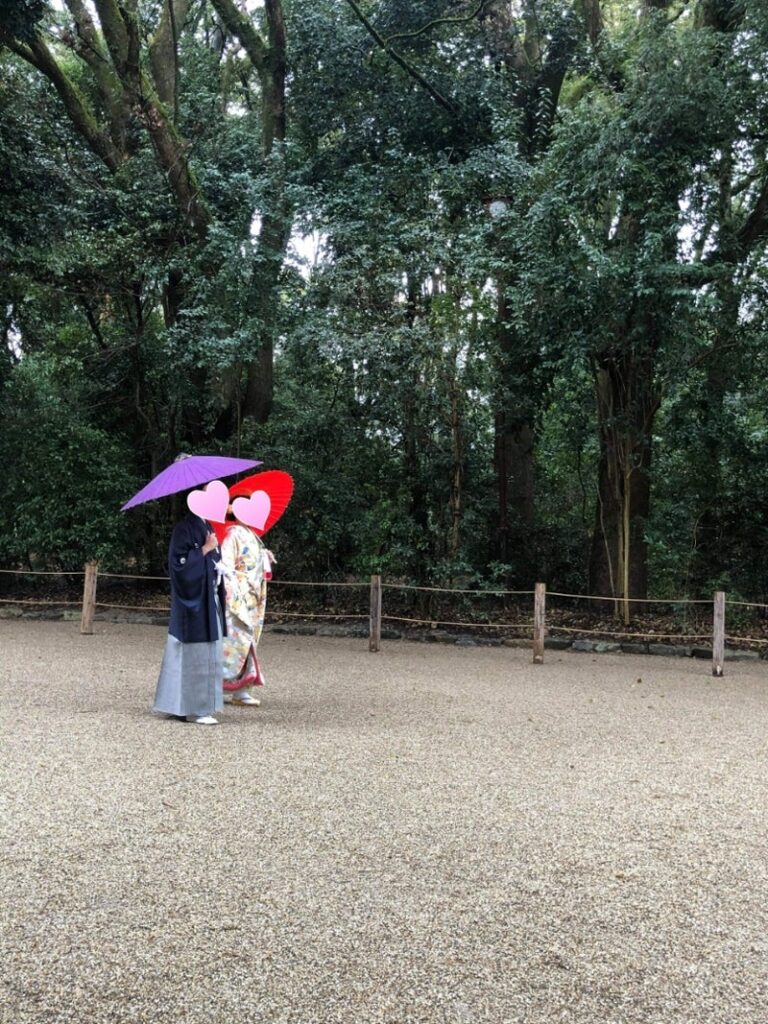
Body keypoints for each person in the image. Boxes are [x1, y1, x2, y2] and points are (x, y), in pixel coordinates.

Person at [153, 504, 227, 725]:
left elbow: (212, 562)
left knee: (207, 653)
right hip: (192, 601)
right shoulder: (184, 529)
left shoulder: (208, 526)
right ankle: (195, 709)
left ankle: (182, 705)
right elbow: (178, 566)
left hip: (208, 597)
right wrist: (204, 549)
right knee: (192, 653)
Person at [219, 507, 274, 707]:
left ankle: (242, 689)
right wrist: (234, 585)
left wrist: (264, 557)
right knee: (235, 640)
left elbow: (254, 563)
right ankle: (221, 686)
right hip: (240, 594)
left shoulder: (253, 535)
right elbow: (226, 564)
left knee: (249, 640)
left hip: (253, 595)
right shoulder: (232, 534)